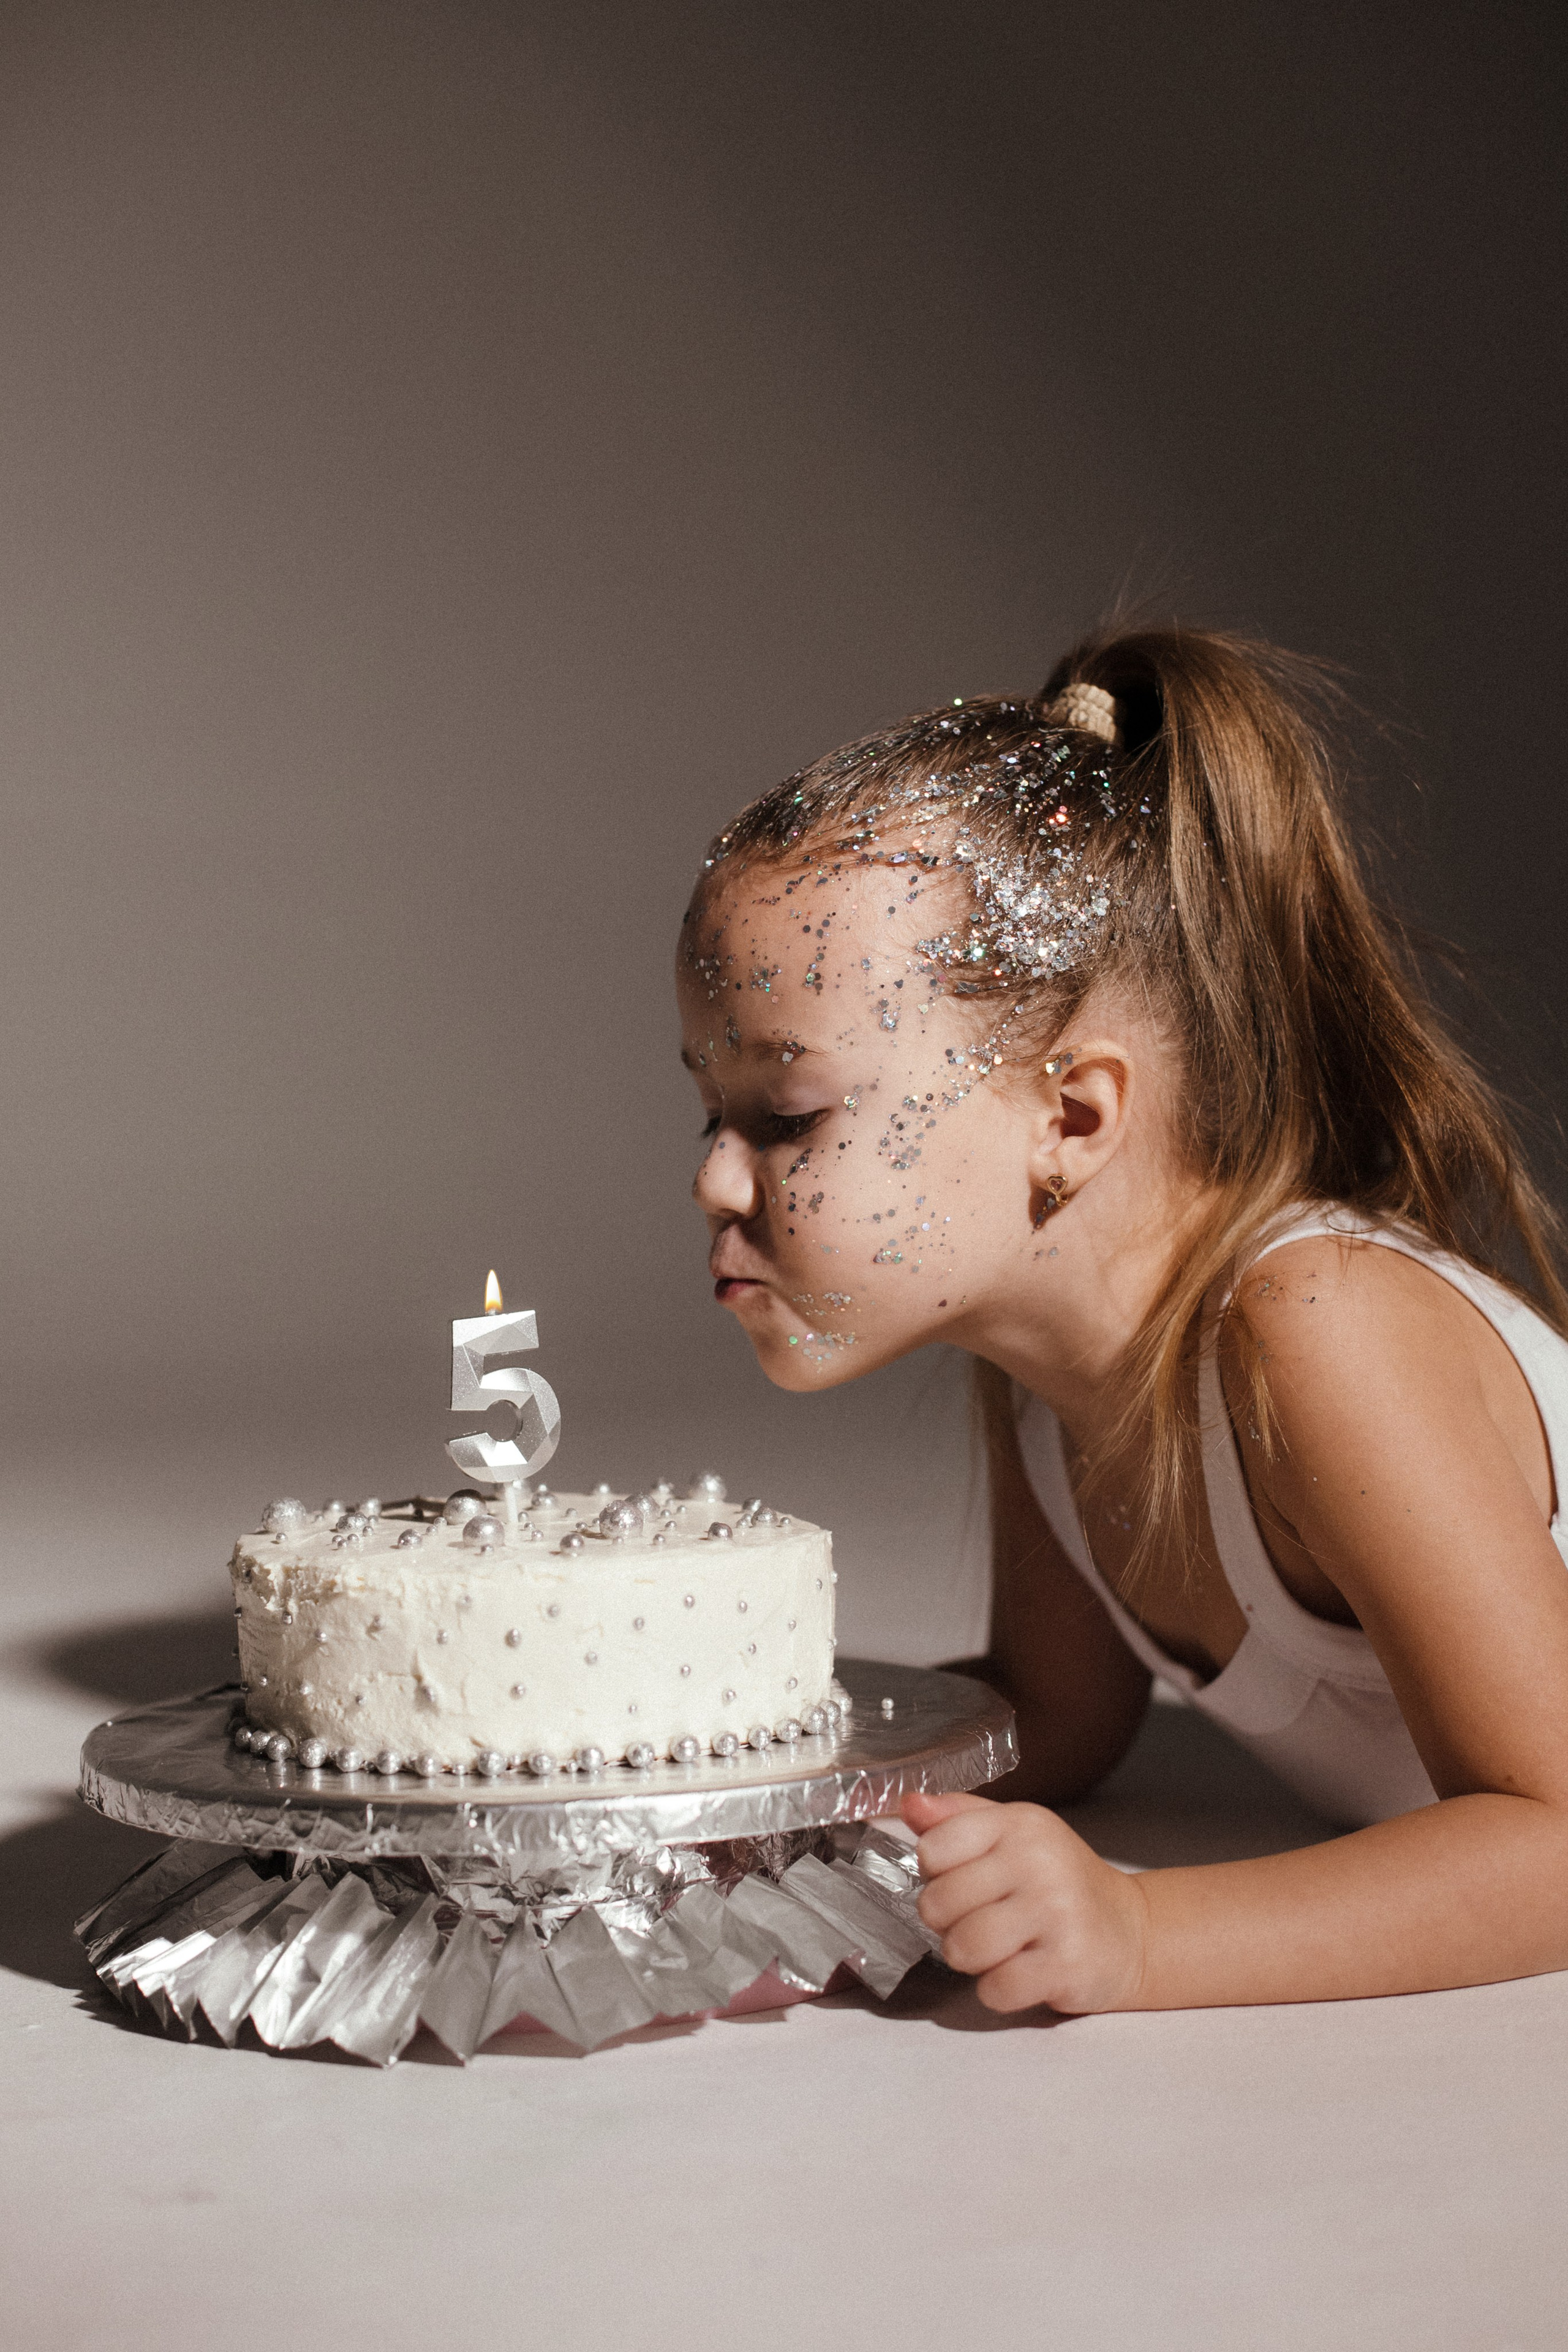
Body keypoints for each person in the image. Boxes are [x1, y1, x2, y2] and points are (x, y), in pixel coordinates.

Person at [675, 627, 1568, 2015]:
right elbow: (1059, 1716)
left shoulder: (1310, 1328)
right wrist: (729, 1798)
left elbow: (1559, 1840)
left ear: (1070, 1118)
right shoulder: (1044, 1373)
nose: (713, 1177)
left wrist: (1140, 1935)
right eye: (709, 1108)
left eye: (786, 1116)